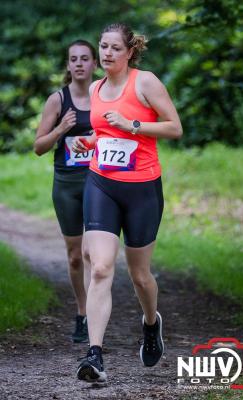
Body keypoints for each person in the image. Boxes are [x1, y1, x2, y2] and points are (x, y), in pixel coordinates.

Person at [74, 23, 182, 383]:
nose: (106, 54)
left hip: (142, 189)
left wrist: (134, 124)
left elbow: (174, 127)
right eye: (103, 47)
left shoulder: (145, 82)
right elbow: (104, 132)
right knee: (101, 267)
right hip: (101, 183)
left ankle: (151, 323)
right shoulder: (95, 87)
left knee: (139, 276)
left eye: (114, 48)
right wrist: (90, 143)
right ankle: (95, 357)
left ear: (129, 51)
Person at [34, 40, 97, 343]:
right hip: (67, 185)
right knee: (75, 256)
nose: (80, 64)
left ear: (94, 64)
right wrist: (60, 129)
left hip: (100, 183)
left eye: (85, 58)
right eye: (74, 59)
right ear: (68, 65)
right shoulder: (58, 100)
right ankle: (82, 313)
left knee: (94, 254)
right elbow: (38, 147)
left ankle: (97, 318)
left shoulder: (105, 96)